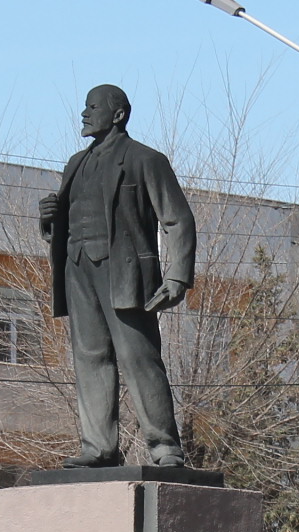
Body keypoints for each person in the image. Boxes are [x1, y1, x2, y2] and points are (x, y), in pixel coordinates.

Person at [36, 84, 196, 467]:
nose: (84, 113)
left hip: (125, 274)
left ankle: (164, 447)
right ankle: (98, 447)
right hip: (78, 269)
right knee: (90, 358)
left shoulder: (144, 160)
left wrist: (176, 278)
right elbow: (68, 220)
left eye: (93, 107)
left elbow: (177, 219)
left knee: (138, 357)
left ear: (118, 114)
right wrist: (48, 220)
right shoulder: (75, 163)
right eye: (85, 106)